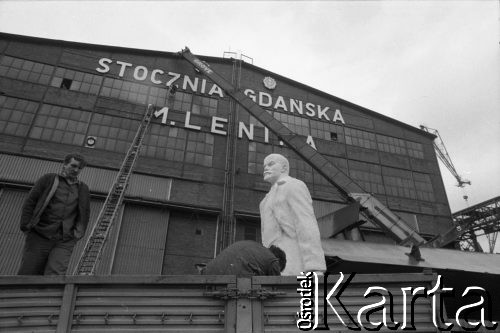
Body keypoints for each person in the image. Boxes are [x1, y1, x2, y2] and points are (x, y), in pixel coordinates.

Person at [17, 153, 90, 275]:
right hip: (40, 235)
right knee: (29, 271)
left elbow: (85, 212)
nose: (76, 170)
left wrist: (78, 234)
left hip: (65, 239)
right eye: (73, 166)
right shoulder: (48, 179)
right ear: (65, 164)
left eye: (79, 168)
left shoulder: (83, 189)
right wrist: (25, 225)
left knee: (55, 274)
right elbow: (30, 202)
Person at [259, 153, 326, 276]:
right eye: (264, 166)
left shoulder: (293, 185)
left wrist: (314, 267)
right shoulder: (264, 201)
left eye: (271, 164)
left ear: (284, 168)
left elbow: (306, 224)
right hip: (273, 264)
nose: (265, 168)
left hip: (293, 258)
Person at [200, 240, 286, 276]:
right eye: (279, 268)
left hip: (208, 274)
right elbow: (276, 286)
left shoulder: (254, 246)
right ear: (278, 260)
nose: (277, 269)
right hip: (233, 281)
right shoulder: (273, 260)